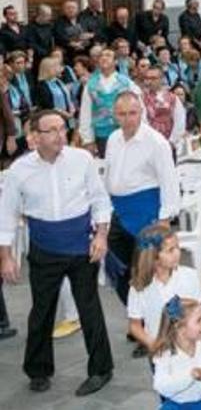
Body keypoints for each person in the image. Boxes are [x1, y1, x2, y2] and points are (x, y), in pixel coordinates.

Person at [0, 109, 114, 395]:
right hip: (44, 248)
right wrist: (5, 256)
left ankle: (101, 369)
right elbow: (6, 215)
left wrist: (101, 236)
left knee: (89, 309)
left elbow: (100, 200)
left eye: (62, 128)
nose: (59, 135)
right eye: (51, 130)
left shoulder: (82, 159)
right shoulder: (19, 170)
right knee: (41, 311)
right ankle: (38, 370)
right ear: (34, 137)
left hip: (81, 246)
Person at [103, 92, 181, 305]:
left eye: (132, 113)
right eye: (121, 114)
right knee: (119, 270)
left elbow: (169, 181)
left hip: (148, 215)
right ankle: (136, 317)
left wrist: (164, 221)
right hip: (118, 213)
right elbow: (109, 175)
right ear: (114, 115)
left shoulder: (156, 142)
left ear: (141, 113)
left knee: (153, 272)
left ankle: (163, 325)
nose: (127, 119)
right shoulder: (113, 139)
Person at [126, 224, 201, 357]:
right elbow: (135, 325)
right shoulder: (139, 288)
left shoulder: (190, 276)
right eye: (170, 250)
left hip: (192, 348)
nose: (177, 253)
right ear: (153, 257)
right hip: (160, 352)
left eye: (178, 247)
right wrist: (152, 344)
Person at [151, 296, 201, 409]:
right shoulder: (165, 354)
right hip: (176, 406)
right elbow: (160, 386)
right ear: (179, 327)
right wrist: (192, 374)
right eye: (199, 321)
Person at [78, 47, 141, 157]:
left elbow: (140, 108)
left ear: (115, 61)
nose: (104, 58)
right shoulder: (91, 84)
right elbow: (85, 113)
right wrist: (87, 140)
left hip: (124, 132)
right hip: (102, 135)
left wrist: (139, 131)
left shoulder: (126, 83)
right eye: (102, 56)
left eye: (108, 55)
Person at [141, 65, 188, 148]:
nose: (149, 81)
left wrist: (171, 142)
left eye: (153, 78)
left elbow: (179, 121)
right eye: (147, 78)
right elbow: (143, 121)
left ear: (161, 79)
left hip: (170, 143)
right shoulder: (142, 98)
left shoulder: (173, 98)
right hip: (150, 144)